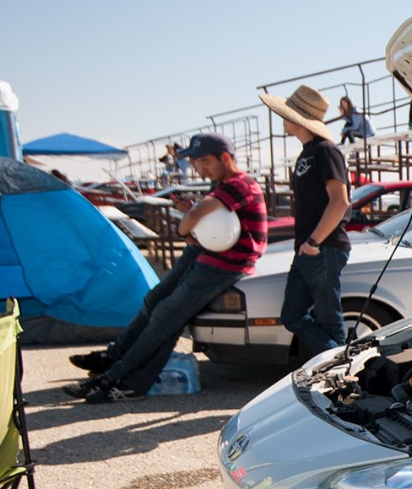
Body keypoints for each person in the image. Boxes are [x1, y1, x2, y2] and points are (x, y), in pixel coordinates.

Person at [64, 132, 268, 403]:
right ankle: (118, 365)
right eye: (196, 163)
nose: (200, 168)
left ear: (226, 157)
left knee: (165, 316)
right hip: (207, 254)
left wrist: (187, 222)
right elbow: (212, 223)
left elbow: (194, 220)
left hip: (225, 264)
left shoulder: (238, 185)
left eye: (205, 161)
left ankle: (115, 377)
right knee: (157, 304)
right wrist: (192, 215)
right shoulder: (222, 185)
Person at [260, 85, 351, 361]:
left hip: (323, 247)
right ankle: (340, 366)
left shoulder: (325, 151)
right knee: (292, 315)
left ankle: (345, 374)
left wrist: (313, 242)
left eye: (285, 114)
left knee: (329, 321)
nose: (282, 119)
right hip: (310, 249)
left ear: (297, 118)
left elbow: (340, 201)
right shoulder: (309, 151)